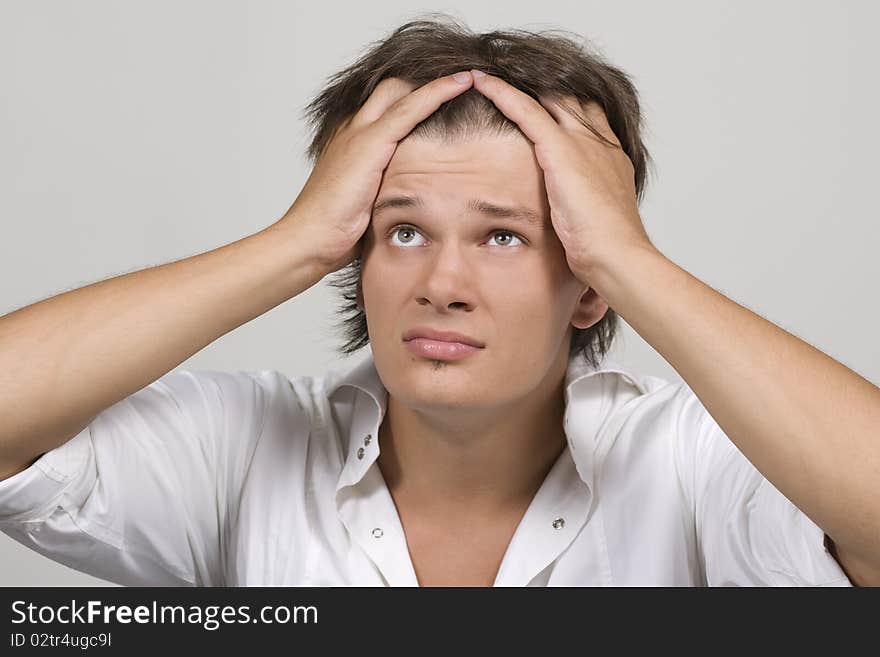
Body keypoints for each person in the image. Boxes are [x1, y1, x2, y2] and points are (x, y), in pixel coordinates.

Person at [0, 16, 877, 587]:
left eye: (504, 236)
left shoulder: (689, 462)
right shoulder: (244, 450)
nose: (442, 286)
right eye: (404, 231)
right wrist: (290, 242)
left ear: (587, 289)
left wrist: (625, 257)